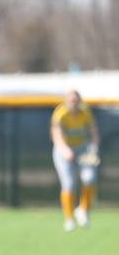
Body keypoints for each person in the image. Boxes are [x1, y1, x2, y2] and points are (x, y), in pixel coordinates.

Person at [50, 89, 100, 231]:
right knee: (69, 183)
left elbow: (94, 133)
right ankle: (69, 219)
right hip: (64, 150)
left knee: (90, 178)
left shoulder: (85, 113)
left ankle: (83, 210)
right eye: (71, 100)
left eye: (76, 100)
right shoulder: (60, 114)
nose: (74, 103)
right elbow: (56, 136)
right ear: (66, 101)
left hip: (83, 149)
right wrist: (65, 150)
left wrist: (94, 148)